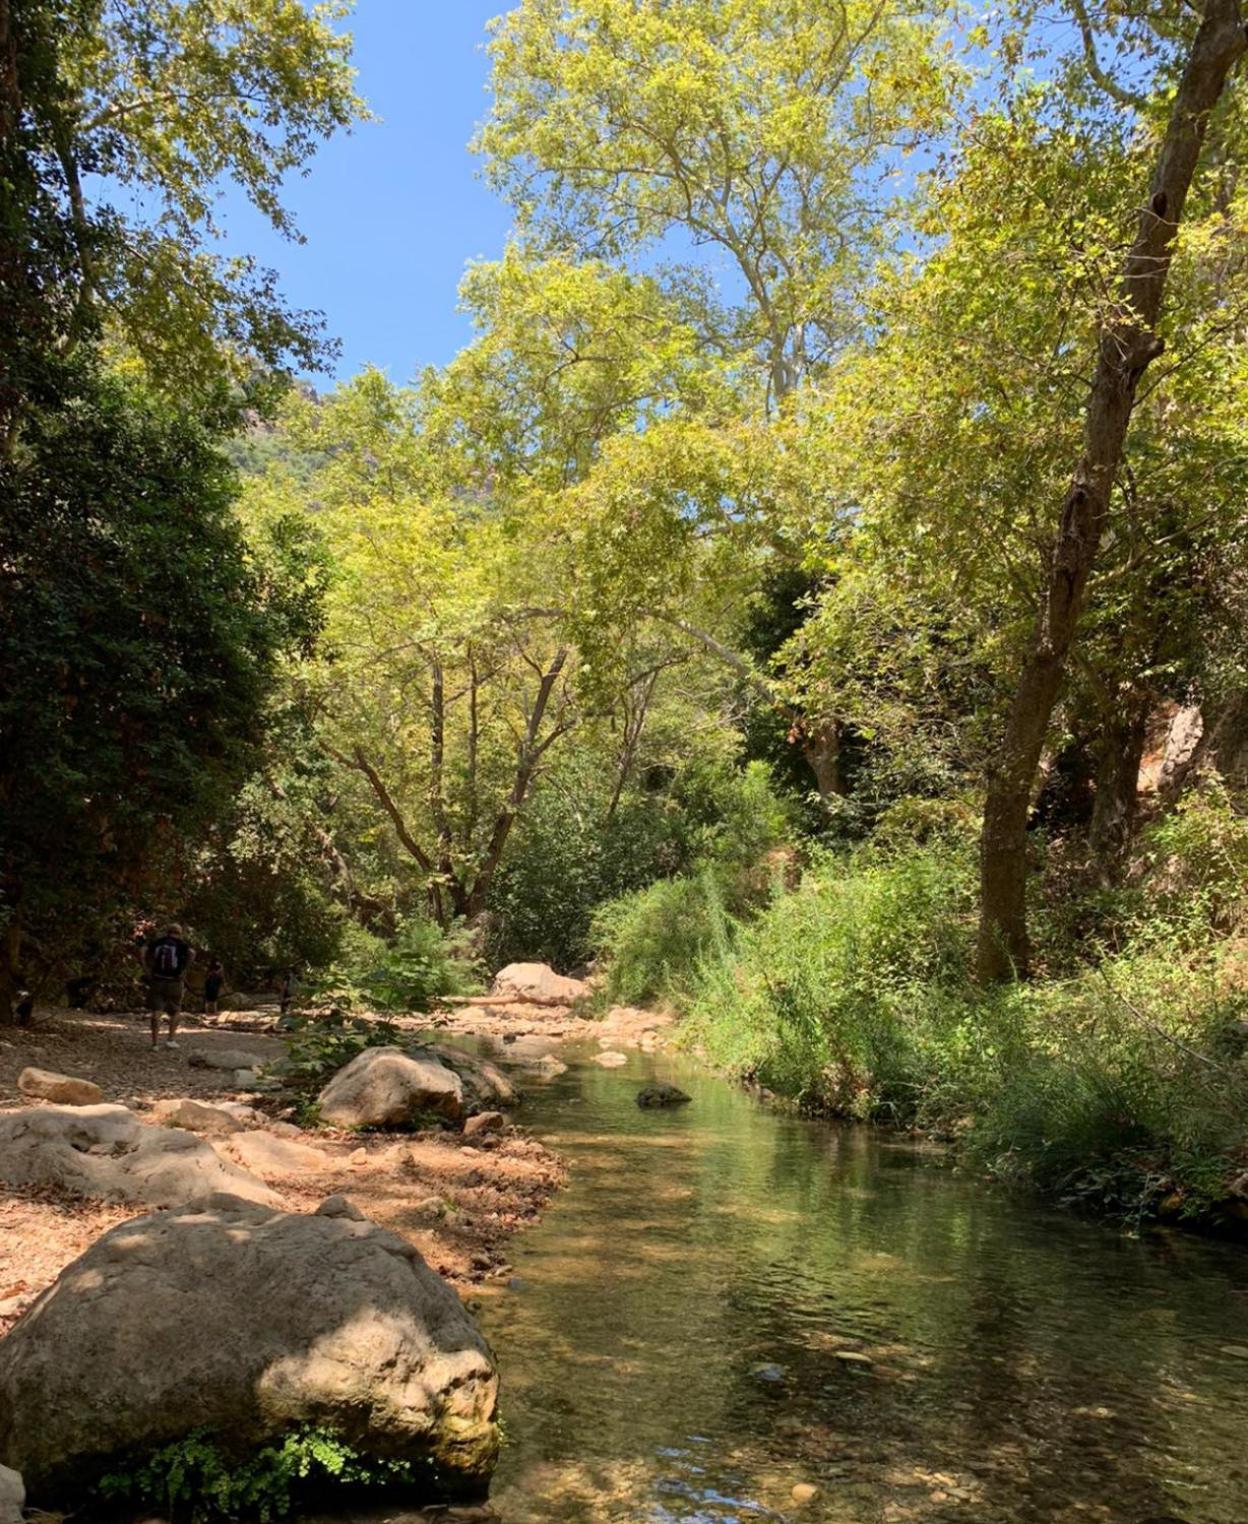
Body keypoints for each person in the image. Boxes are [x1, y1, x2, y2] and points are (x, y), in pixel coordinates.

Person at [144, 923, 193, 1050]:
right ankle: (171, 1039)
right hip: (174, 981)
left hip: (157, 980)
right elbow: (192, 953)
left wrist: (146, 968)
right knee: (175, 1011)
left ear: (167, 932)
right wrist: (185, 970)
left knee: (156, 1012)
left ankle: (154, 1043)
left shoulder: (158, 942)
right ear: (179, 933)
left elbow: (143, 950)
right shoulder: (181, 945)